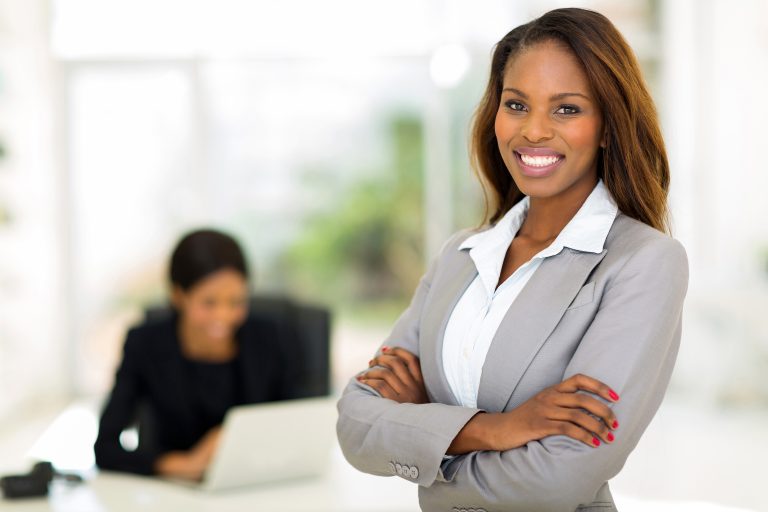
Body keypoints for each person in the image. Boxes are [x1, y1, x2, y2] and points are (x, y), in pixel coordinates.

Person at [336, 8, 688, 512]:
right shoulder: (460, 255)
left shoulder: (644, 263)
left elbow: (559, 480)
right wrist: (500, 429)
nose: (534, 132)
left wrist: (424, 433)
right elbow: (355, 424)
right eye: (517, 104)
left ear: (609, 127)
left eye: (567, 109)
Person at [94, 229, 298, 480]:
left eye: (236, 302)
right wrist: (176, 464)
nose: (223, 316)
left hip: (258, 482)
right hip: (174, 492)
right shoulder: (145, 344)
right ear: (178, 295)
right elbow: (105, 447)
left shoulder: (273, 337)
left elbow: (300, 426)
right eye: (209, 303)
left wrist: (235, 437)